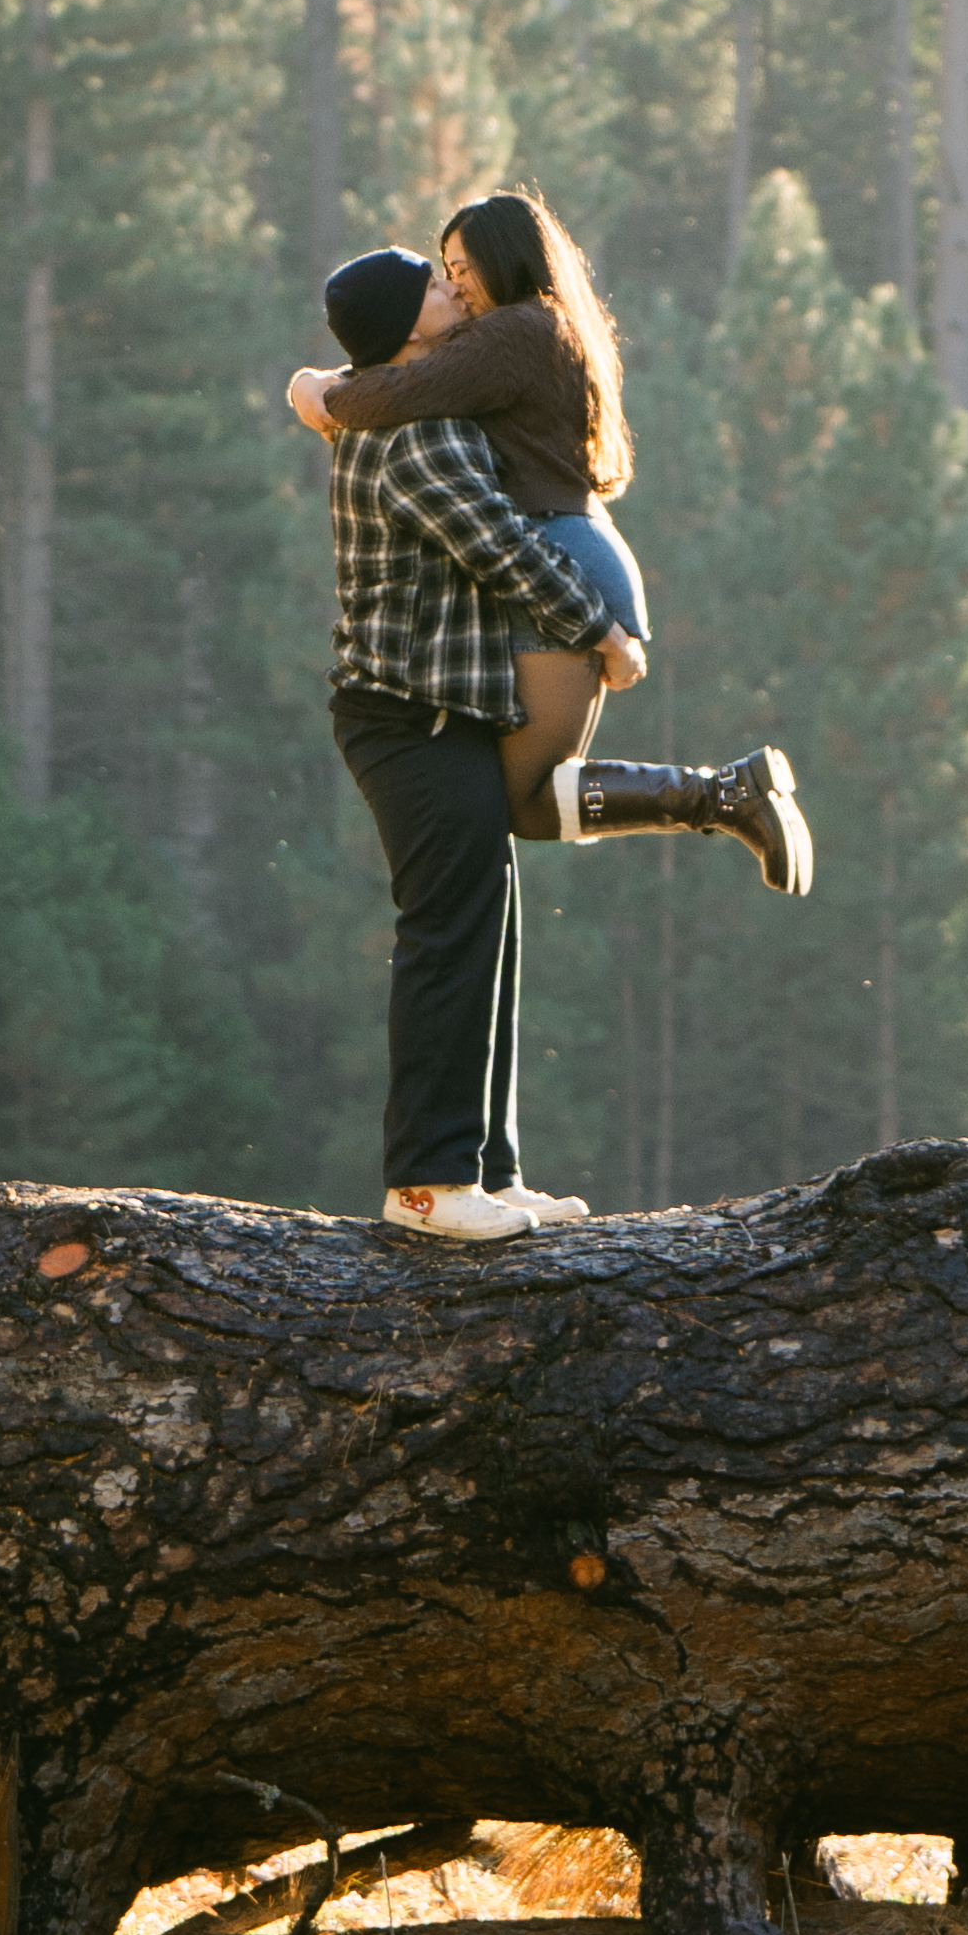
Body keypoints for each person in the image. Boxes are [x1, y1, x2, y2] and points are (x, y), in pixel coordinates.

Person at [294, 188, 814, 887]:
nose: (453, 285)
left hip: (559, 558)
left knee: (525, 799)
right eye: (444, 270)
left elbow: (396, 395)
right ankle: (722, 796)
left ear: (506, 260)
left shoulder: (514, 332)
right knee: (527, 802)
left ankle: (724, 794)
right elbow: (410, 382)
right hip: (571, 547)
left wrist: (318, 395)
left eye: (463, 267)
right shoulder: (546, 327)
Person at [302, 240, 620, 1247]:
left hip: (433, 712)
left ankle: (488, 1170)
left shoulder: (397, 410)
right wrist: (598, 629)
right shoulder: (419, 437)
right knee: (446, 939)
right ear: (407, 329)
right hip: (410, 718)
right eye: (438, 286)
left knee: (488, 934)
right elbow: (499, 544)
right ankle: (426, 1186)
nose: (457, 289)